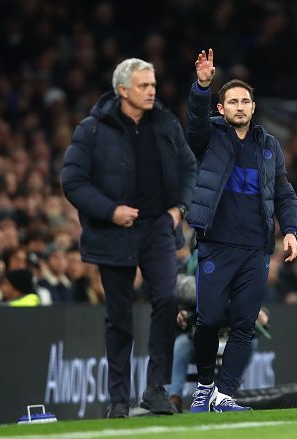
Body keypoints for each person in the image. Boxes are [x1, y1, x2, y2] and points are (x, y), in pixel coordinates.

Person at [61, 58, 197, 418]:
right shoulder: (91, 129)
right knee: (119, 316)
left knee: (167, 299)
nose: (152, 90)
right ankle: (118, 398)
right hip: (114, 232)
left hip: (158, 227)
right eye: (143, 86)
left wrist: (178, 209)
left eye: (153, 84)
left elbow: (189, 169)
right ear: (123, 90)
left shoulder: (166, 123)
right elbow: (72, 182)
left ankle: (156, 388)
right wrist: (110, 211)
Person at [185, 49, 297, 412]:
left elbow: (284, 192)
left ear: (253, 107)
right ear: (221, 108)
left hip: (256, 248)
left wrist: (292, 230)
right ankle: (204, 384)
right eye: (232, 101)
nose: (239, 106)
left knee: (245, 324)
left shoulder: (268, 147)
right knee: (209, 318)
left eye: (245, 101)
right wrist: (203, 86)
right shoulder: (210, 136)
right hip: (217, 244)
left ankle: (224, 395)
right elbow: (194, 124)